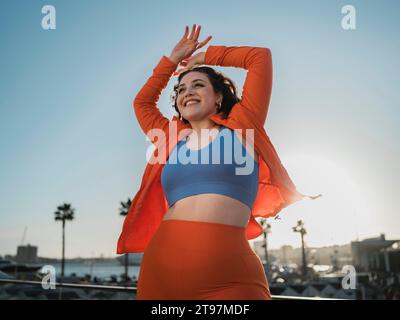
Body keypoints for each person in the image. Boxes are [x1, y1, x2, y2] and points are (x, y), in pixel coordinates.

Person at [117, 24, 321, 300]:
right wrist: (171, 61)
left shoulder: (244, 125)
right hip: (160, 273)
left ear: (219, 98)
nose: (186, 92)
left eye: (198, 85)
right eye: (180, 90)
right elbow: (142, 103)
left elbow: (260, 58)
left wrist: (205, 58)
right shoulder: (169, 137)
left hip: (230, 278)